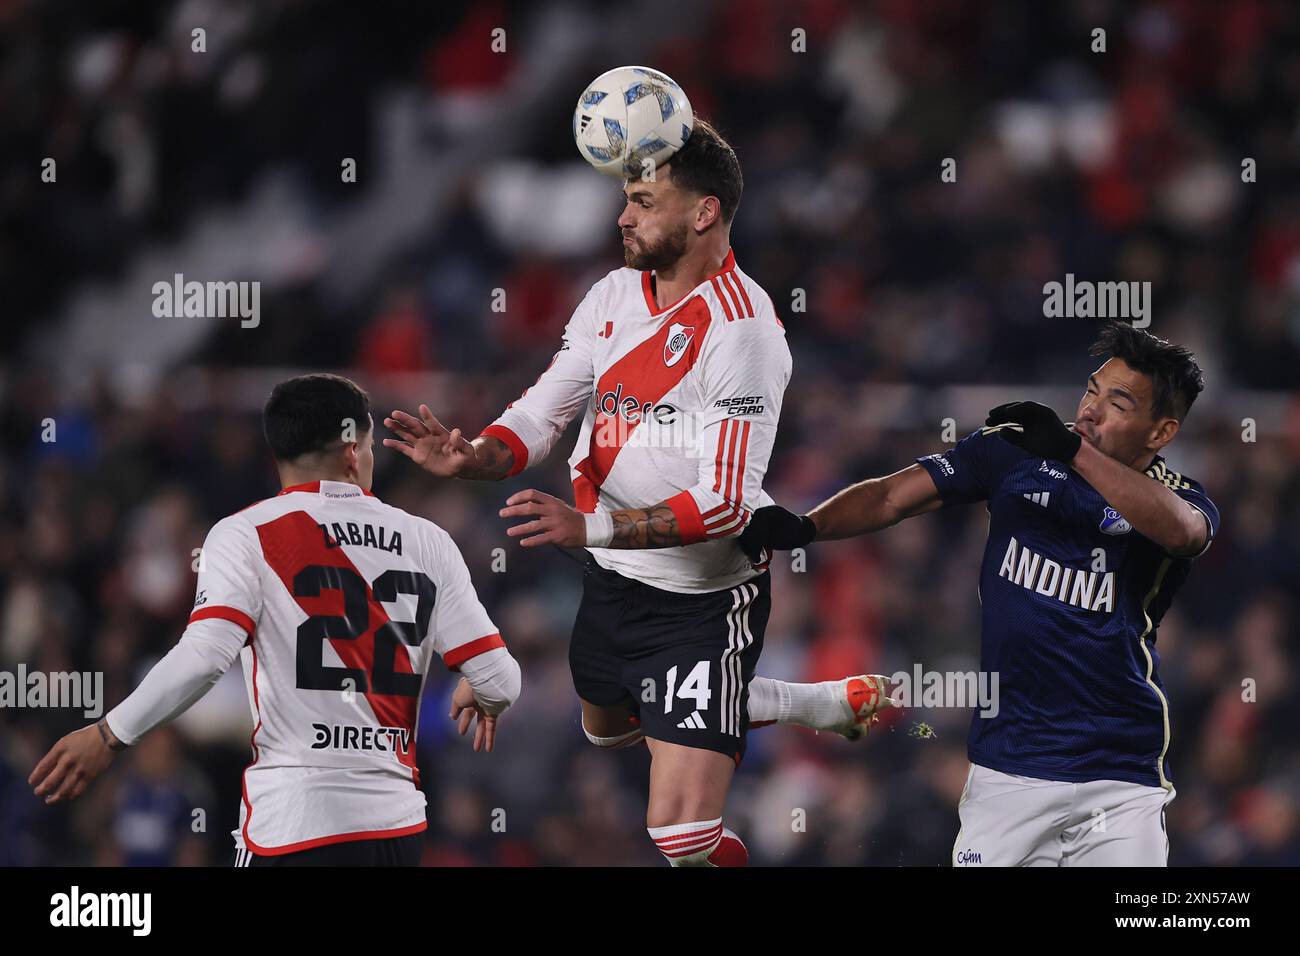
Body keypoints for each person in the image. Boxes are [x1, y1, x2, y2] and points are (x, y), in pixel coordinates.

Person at [384, 120, 890, 867]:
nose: (623, 216)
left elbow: (725, 504)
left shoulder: (744, 332)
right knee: (609, 728)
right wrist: (477, 455)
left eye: (644, 201)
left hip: (704, 601)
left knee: (681, 841)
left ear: (704, 213)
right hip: (615, 582)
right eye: (626, 198)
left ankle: (750, 708)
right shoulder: (612, 295)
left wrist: (588, 529)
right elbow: (541, 411)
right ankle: (803, 703)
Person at [739, 322, 1219, 867]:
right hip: (1008, 768)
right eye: (1091, 390)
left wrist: (1072, 452)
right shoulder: (1017, 451)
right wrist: (807, 528)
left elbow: (1182, 532)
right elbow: (895, 496)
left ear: (1161, 433)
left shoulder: (1179, 498)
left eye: (1119, 404)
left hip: (1120, 774)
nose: (1090, 410)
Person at [30, 373, 520, 866]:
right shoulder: (428, 541)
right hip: (396, 831)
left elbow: (204, 657)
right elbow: (501, 680)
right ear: (352, 450)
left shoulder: (246, 534)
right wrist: (480, 689)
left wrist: (107, 735)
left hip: (294, 823)